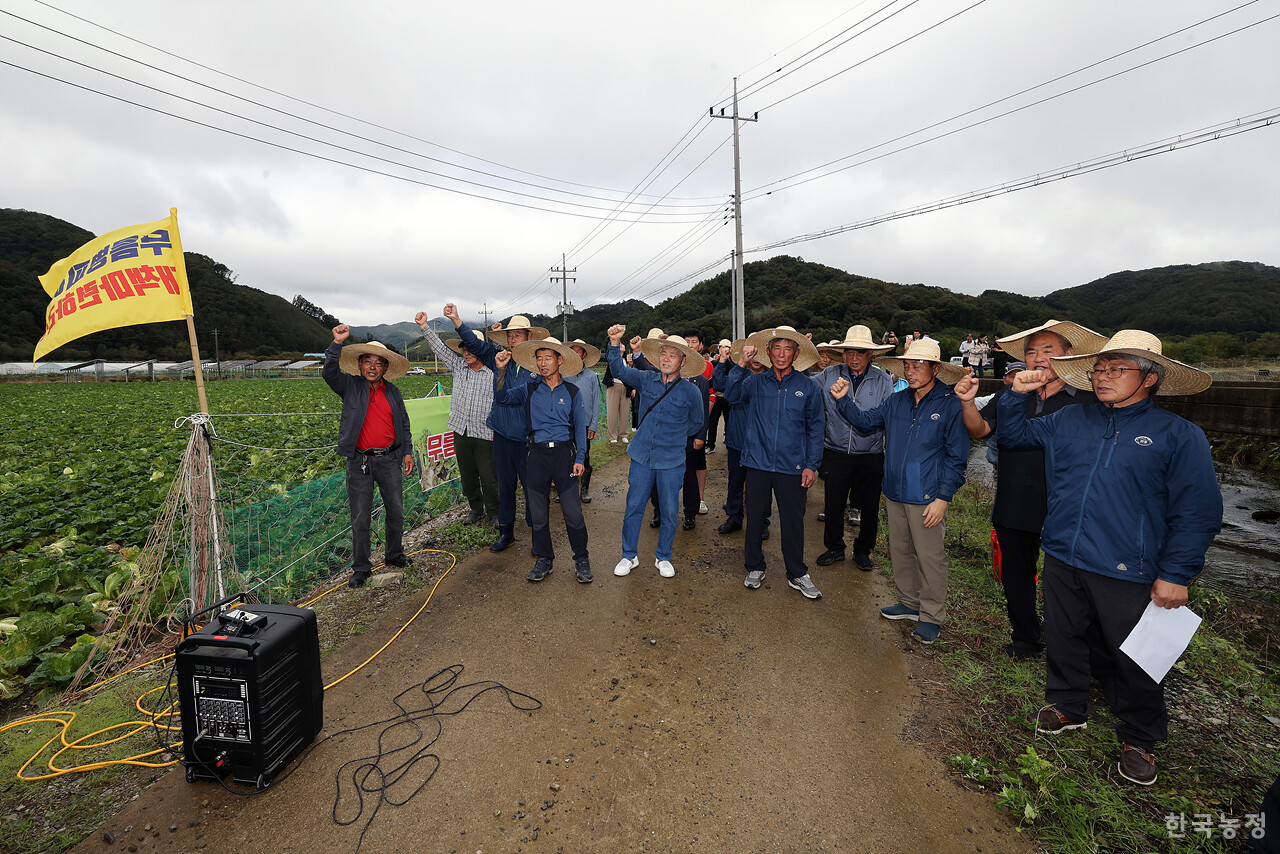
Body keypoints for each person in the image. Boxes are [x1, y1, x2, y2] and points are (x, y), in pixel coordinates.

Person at [997, 329, 1222, 786]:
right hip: (1063, 550)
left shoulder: (1178, 435)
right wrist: (1013, 394)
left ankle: (1139, 737)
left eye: (1118, 369)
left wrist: (1176, 573)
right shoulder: (1072, 419)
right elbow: (1015, 436)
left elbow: (1197, 511)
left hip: (1129, 565)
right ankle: (1067, 705)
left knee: (1135, 657)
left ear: (1151, 379)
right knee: (1063, 635)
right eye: (1099, 368)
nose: (1103, 377)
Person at [952, 320, 1106, 659]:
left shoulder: (1091, 401)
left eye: (1048, 351)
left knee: (1069, 581)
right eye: (1032, 352)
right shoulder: (1013, 394)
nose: (1038, 359)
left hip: (1066, 508)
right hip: (1015, 499)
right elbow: (980, 430)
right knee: (1016, 576)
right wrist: (967, 402)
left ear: (1069, 355)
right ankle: (1026, 637)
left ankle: (1078, 649)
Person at [829, 338, 968, 642]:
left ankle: (932, 615)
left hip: (928, 495)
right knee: (901, 550)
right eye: (908, 364)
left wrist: (943, 497)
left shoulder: (949, 404)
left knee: (930, 556)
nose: (911, 370)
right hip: (894, 490)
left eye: (919, 364)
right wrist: (843, 401)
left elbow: (958, 458)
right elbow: (866, 423)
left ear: (936, 368)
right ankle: (909, 602)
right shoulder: (897, 400)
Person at [725, 326, 825, 600]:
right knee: (755, 518)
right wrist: (742, 363)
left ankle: (796, 573)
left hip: (792, 466)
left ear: (796, 354)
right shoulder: (755, 382)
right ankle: (754, 567)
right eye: (777, 348)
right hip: (757, 463)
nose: (781, 354)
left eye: (788, 349)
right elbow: (731, 396)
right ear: (768, 353)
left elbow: (815, 428)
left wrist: (811, 464)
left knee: (793, 522)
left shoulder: (808, 387)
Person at [604, 324, 706, 579]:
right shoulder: (645, 378)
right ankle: (629, 555)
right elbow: (617, 370)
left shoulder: (691, 391)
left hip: (672, 460)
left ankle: (664, 556)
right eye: (663, 353)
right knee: (634, 506)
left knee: (670, 510)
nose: (666, 358)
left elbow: (696, 423)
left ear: (683, 361)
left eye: (673, 355)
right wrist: (615, 343)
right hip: (641, 457)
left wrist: (674, 437)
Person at [447, 305, 548, 553]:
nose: (513, 339)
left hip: (527, 440)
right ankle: (507, 533)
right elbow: (477, 345)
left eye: (518, 335)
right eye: (510, 336)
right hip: (502, 436)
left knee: (532, 487)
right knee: (505, 487)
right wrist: (458, 321)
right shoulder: (500, 360)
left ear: (529, 338)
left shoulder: (538, 367)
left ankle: (538, 535)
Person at [491, 337, 591, 583]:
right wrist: (500, 372)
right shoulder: (529, 389)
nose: (543, 363)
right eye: (539, 358)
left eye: (548, 358)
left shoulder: (572, 392)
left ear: (559, 360)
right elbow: (502, 398)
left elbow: (580, 428)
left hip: (563, 456)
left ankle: (582, 559)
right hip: (536, 455)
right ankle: (544, 559)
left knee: (572, 512)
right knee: (538, 513)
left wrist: (580, 458)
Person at [323, 326, 415, 588]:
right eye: (368, 362)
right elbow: (329, 373)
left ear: (385, 368)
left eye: (378, 363)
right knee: (361, 517)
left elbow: (404, 424)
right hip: (359, 461)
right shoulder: (349, 386)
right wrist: (336, 343)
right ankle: (362, 567)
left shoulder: (393, 392)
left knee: (395, 511)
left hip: (389, 460)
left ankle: (394, 555)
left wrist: (407, 451)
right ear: (360, 365)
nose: (373, 367)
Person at [814, 326, 896, 571]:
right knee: (833, 503)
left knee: (869, 506)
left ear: (870, 354)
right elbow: (806, 389)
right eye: (849, 352)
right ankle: (835, 547)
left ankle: (863, 550)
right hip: (836, 450)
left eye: (860, 352)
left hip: (870, 453)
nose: (854, 358)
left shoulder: (882, 380)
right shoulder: (828, 374)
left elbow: (884, 418)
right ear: (843, 353)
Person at [414, 312, 498, 525]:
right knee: (468, 475)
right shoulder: (458, 366)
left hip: (486, 433)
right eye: (463, 348)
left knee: (489, 477)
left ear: (480, 350)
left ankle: (495, 512)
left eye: (471, 348)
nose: (466, 352)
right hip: (460, 431)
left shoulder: (494, 372)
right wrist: (424, 327)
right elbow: (440, 349)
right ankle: (476, 509)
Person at [631, 328, 710, 530]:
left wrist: (699, 436)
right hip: (662, 442)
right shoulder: (660, 375)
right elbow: (640, 367)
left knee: (689, 477)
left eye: (693, 343)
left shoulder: (700, 381)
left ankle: (690, 513)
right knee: (659, 482)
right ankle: (658, 512)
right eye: (687, 342)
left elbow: (701, 415)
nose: (690, 345)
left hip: (687, 440)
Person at [713, 337, 770, 540]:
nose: (755, 356)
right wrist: (729, 361)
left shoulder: (773, 378)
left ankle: (762, 522)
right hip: (738, 439)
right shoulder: (739, 372)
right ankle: (734, 518)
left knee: (761, 485)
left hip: (763, 442)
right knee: (735, 481)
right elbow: (721, 386)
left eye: (759, 352)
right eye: (750, 352)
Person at [565, 339, 602, 503]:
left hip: (585, 424)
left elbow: (595, 402)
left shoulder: (591, 376)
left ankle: (584, 490)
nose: (575, 353)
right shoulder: (564, 375)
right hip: (566, 424)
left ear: (584, 354)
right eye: (572, 350)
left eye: (578, 351)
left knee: (584, 456)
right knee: (566, 456)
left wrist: (593, 425)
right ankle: (566, 490)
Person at [706, 338, 732, 452]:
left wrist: (725, 360)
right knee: (713, 422)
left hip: (728, 397)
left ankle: (729, 444)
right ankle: (710, 444)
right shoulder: (714, 361)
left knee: (729, 422)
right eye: (721, 348)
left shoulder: (732, 362)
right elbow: (713, 376)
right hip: (716, 396)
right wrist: (716, 362)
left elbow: (731, 372)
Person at [603, 345, 632, 444]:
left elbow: (632, 374)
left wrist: (633, 389)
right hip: (613, 386)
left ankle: (624, 434)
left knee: (625, 412)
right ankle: (613, 436)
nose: (621, 346)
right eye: (619, 345)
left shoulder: (627, 359)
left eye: (622, 344)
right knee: (612, 413)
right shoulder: (612, 357)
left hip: (626, 388)